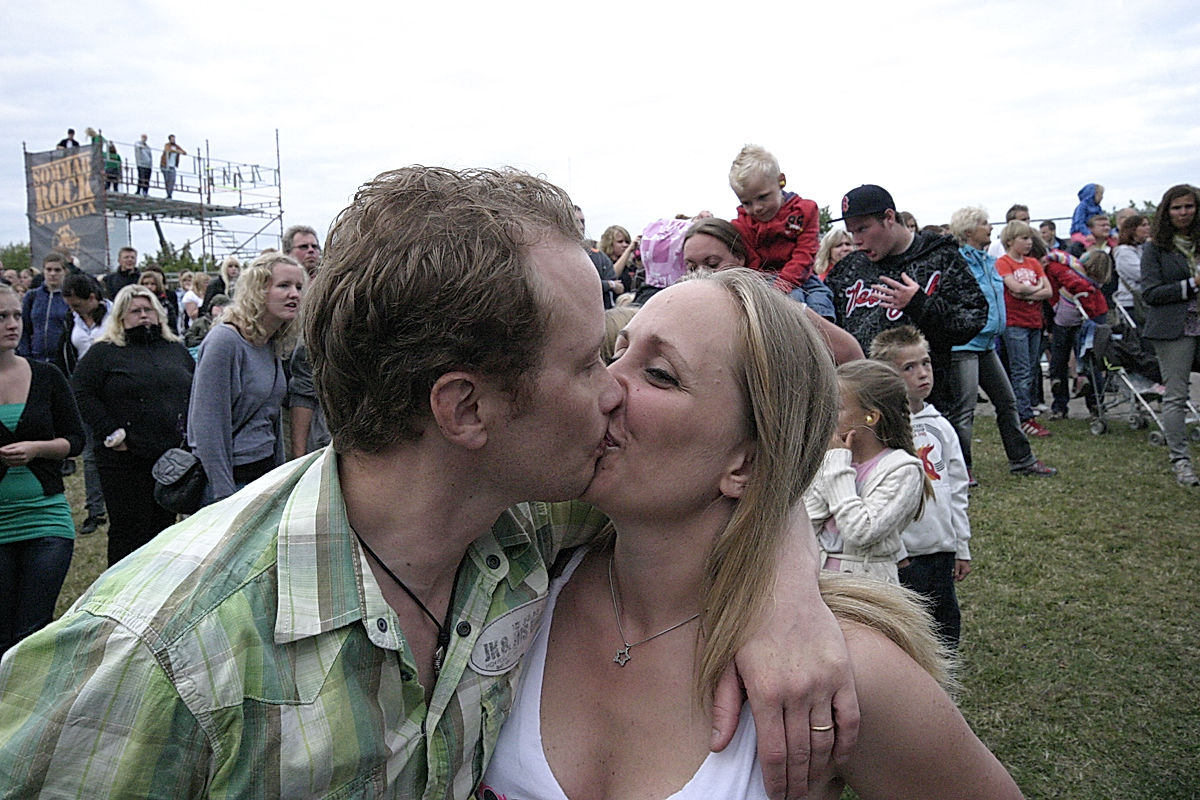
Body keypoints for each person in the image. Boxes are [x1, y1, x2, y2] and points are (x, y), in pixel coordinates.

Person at [0, 167, 858, 798]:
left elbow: (794, 396)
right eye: (588, 358)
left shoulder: (524, 513)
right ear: (466, 411)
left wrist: (781, 579)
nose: (615, 389)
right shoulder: (157, 657)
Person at [479, 271, 1022, 800]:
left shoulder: (839, 672)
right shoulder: (509, 578)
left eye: (660, 374)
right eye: (613, 353)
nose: (604, 386)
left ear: (747, 461)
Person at [825, 184, 989, 413]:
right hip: (867, 402)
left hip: (929, 403)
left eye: (863, 229)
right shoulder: (848, 270)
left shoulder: (938, 257)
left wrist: (920, 305)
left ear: (889, 218)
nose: (856, 240)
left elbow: (973, 318)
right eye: (852, 232)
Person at [71, 285, 194, 566]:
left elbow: (194, 387)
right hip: (124, 459)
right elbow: (80, 391)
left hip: (170, 458)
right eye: (135, 311)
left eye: (148, 310)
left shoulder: (175, 349)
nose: (143, 316)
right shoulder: (104, 352)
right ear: (120, 317)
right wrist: (109, 431)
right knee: (129, 530)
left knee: (165, 528)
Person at [870, 326, 971, 647]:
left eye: (925, 363)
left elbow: (957, 489)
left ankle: (943, 682)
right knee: (907, 625)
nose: (922, 374)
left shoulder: (942, 427)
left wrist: (960, 545)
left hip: (940, 548)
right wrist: (895, 549)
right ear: (887, 376)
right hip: (902, 555)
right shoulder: (881, 432)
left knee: (945, 622)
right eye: (909, 367)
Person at [0, 283, 85, 656]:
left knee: (33, 631)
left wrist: (38, 448)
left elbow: (76, 440)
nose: (12, 324)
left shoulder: (47, 376)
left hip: (45, 517)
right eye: (1, 316)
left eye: (17, 315)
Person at [946, 207, 1057, 480]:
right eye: (984, 223)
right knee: (964, 410)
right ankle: (962, 469)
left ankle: (1022, 459)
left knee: (1007, 402)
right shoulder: (957, 263)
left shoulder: (987, 261)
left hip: (986, 344)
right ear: (968, 230)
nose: (990, 227)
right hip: (964, 346)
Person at [189, 253, 303, 503]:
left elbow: (270, 420)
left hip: (262, 477)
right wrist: (223, 496)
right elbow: (208, 427)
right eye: (283, 285)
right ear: (258, 290)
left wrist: (279, 479)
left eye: (298, 287)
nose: (294, 294)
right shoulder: (225, 341)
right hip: (230, 481)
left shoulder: (270, 342)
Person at [806, 360, 930, 586]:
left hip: (867, 589)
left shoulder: (903, 469)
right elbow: (805, 525)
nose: (825, 415)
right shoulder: (833, 457)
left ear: (871, 417)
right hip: (818, 583)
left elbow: (860, 532)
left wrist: (836, 468)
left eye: (837, 408)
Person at [681, 217, 864, 364]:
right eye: (691, 267)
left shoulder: (772, 303)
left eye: (712, 264)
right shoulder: (686, 316)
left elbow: (850, 354)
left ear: (739, 258)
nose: (701, 274)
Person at [727, 144, 836, 319]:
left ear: (781, 181)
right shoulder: (742, 225)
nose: (757, 208)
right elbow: (752, 261)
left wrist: (785, 282)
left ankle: (826, 340)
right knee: (793, 303)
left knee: (822, 300)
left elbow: (805, 252)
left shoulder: (804, 211)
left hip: (803, 276)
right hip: (764, 280)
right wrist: (770, 289)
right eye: (747, 203)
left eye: (763, 197)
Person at [1139, 183, 1200, 487]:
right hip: (1175, 327)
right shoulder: (1155, 247)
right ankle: (1181, 461)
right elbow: (1150, 292)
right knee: (1176, 395)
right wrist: (1192, 284)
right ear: (1167, 211)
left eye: (1189, 206)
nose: (1183, 212)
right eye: (1177, 207)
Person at [56, 273, 112, 535]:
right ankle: (95, 510)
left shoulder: (114, 316)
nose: (73, 310)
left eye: (77, 304)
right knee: (90, 454)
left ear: (92, 298)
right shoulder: (72, 320)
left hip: (114, 390)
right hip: (85, 393)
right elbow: (67, 352)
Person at [994, 220, 1053, 437]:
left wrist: (1028, 291)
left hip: (1034, 322)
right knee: (1021, 370)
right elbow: (1014, 288)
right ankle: (1023, 416)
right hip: (1014, 323)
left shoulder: (1033, 263)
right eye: (1024, 238)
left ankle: (1025, 411)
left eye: (1030, 238)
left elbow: (1047, 291)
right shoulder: (1003, 262)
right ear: (1010, 241)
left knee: (1031, 368)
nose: (1029, 243)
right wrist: (1032, 288)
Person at [17, 252, 69, 363]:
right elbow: (24, 327)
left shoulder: (69, 297)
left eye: (57, 270)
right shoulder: (32, 296)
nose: (52, 274)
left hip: (62, 361)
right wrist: (25, 354)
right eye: (48, 270)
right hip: (35, 358)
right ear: (43, 271)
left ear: (65, 271)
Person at [574, 206, 623, 309]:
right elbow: (577, 287)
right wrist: (608, 285)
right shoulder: (554, 256)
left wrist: (608, 285)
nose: (581, 226)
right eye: (575, 221)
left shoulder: (598, 256)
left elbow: (618, 286)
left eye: (582, 221)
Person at [1113, 213, 1151, 321]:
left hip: (1142, 301)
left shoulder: (1141, 249)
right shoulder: (1124, 252)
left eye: (1148, 224)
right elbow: (1141, 274)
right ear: (1132, 229)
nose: (1148, 228)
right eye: (1143, 225)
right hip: (1131, 302)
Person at [599, 224, 642, 297]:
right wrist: (629, 250)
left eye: (627, 242)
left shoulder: (629, 265)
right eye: (620, 242)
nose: (625, 245)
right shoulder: (602, 263)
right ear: (609, 244)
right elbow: (612, 275)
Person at [138, 266, 179, 333]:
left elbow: (172, 323)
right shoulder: (135, 303)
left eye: (152, 284)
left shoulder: (165, 303)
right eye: (146, 284)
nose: (149, 287)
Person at [160, 134, 186, 198]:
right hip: (165, 165)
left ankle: (170, 194)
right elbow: (168, 150)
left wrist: (179, 151)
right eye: (172, 139)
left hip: (173, 166)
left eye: (174, 139)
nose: (173, 140)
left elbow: (184, 152)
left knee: (172, 180)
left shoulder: (177, 146)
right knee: (167, 180)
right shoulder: (167, 145)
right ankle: (168, 193)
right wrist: (177, 151)